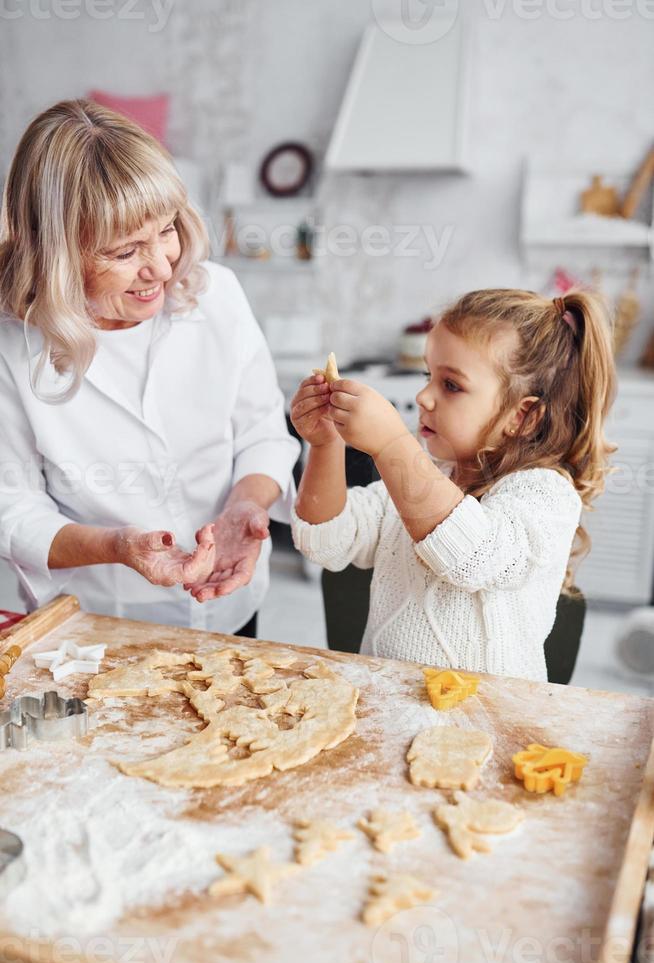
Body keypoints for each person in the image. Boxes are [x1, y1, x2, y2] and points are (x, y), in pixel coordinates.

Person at [0, 99, 299, 636]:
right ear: (56, 253)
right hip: (99, 623)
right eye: (124, 251)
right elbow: (10, 507)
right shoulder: (11, 343)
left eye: (166, 230)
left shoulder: (217, 296)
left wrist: (244, 509)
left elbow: (263, 434)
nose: (161, 266)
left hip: (231, 602)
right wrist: (117, 547)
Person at [290, 289, 616, 681]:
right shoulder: (429, 474)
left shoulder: (546, 494)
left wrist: (393, 444)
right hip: (389, 705)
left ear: (523, 415)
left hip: (492, 717)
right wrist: (326, 444)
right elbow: (326, 539)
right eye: (429, 376)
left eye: (452, 385)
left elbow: (472, 555)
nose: (423, 396)